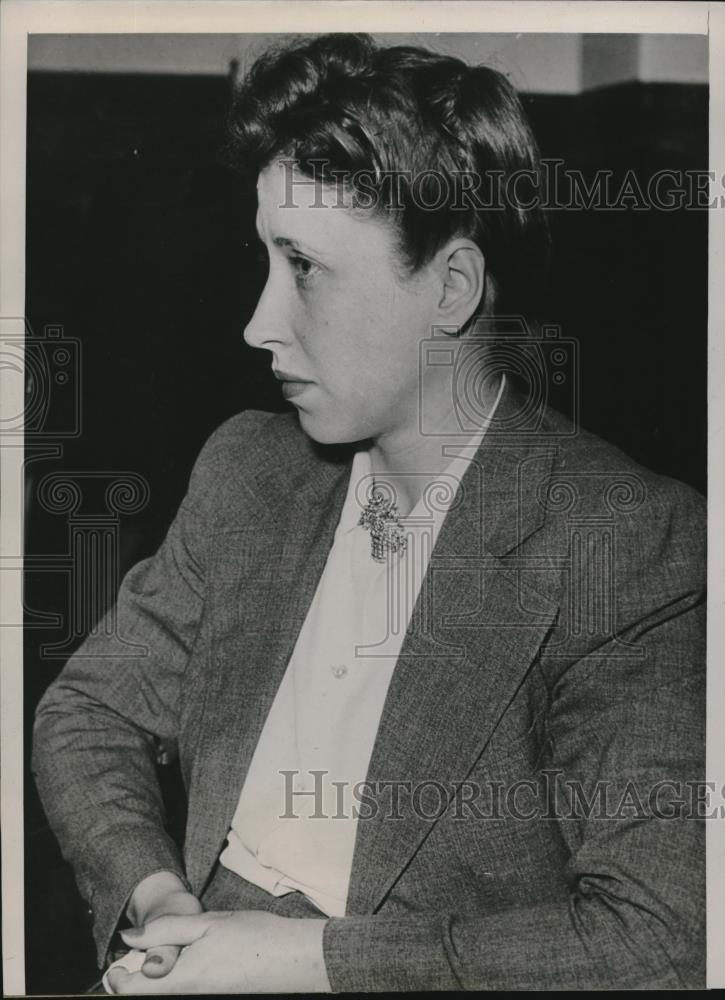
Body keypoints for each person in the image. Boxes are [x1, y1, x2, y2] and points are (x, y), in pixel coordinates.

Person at [32, 33, 706, 992]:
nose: (259, 323)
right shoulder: (248, 470)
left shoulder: (632, 544)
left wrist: (299, 962)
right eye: (266, 259)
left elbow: (654, 940)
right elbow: (88, 711)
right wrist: (159, 898)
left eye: (303, 267)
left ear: (453, 287)